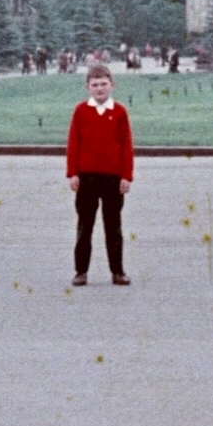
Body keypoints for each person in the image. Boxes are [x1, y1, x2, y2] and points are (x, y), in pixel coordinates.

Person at [66, 63, 133, 287]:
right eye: (95, 85)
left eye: (103, 84)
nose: (99, 89)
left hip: (113, 178)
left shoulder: (120, 111)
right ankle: (81, 271)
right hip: (87, 178)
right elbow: (74, 143)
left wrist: (126, 176)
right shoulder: (81, 111)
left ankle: (117, 271)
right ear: (88, 87)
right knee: (85, 226)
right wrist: (73, 173)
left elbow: (126, 145)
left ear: (112, 85)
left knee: (113, 226)